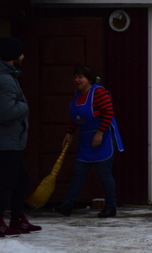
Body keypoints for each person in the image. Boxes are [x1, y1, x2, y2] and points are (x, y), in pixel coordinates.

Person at [55, 65, 123, 218]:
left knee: (104, 173)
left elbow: (108, 113)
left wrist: (99, 133)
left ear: (89, 79)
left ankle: (111, 207)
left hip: (103, 138)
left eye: (81, 77)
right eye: (75, 77)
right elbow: (76, 117)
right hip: (86, 139)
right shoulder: (78, 95)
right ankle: (68, 204)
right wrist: (69, 133)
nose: (77, 80)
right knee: (78, 173)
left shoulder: (99, 93)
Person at [0, 37, 40, 236]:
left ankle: (17, 218)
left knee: (22, 179)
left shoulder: (9, 76)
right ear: (13, 56)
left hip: (11, 141)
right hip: (6, 142)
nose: (23, 56)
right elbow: (5, 112)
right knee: (7, 181)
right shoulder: (5, 79)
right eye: (21, 53)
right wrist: (24, 105)